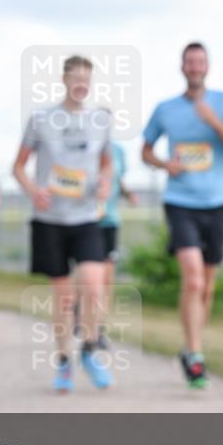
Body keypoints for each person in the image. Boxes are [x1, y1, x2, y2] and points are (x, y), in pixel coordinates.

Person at [141, 42, 223, 389]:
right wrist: (163, 164)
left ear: (207, 66)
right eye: (189, 61)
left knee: (207, 287)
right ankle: (195, 352)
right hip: (179, 201)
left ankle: (191, 348)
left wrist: (213, 121)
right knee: (193, 279)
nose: (194, 66)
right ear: (182, 67)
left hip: (215, 202)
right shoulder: (166, 109)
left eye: (199, 61)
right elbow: (145, 150)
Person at [13, 54, 114, 393]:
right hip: (50, 219)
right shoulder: (42, 119)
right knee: (64, 297)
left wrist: (104, 183)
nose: (82, 85)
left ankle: (88, 348)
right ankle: (64, 361)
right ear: (64, 80)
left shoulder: (100, 121)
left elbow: (107, 164)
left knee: (94, 285)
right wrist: (33, 190)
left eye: (87, 78)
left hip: (85, 217)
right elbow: (19, 167)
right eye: (76, 78)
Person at [98, 140, 137, 348]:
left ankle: (99, 327)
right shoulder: (83, 145)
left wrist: (128, 194)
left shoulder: (118, 151)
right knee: (88, 274)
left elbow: (118, 180)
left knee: (107, 276)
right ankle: (81, 315)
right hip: (85, 219)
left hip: (109, 220)